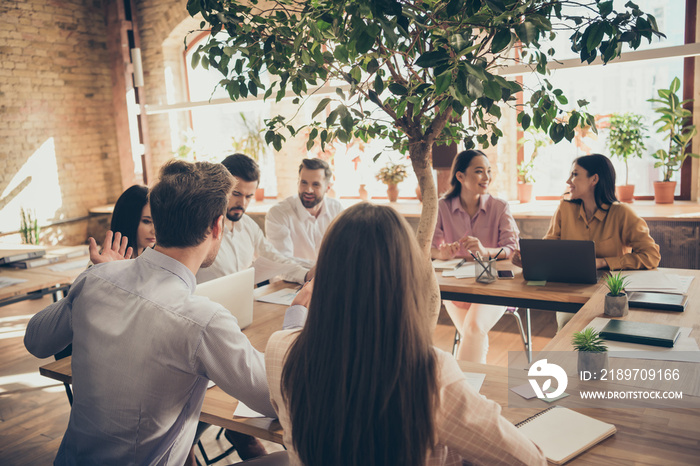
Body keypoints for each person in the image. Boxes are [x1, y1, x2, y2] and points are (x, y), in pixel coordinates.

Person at [24, 160, 304, 465]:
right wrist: (296, 319)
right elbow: (281, 400)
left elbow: (35, 342)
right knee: (294, 459)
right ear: (216, 226)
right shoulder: (203, 319)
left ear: (157, 220)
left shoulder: (95, 279)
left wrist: (95, 277)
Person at [264, 203, 546, 466]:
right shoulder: (431, 373)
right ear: (405, 279)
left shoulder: (279, 351)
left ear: (323, 275)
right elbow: (529, 460)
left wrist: (297, 312)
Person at [512, 153, 661, 329]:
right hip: (571, 293)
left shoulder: (622, 213)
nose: (568, 181)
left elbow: (651, 255)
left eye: (575, 174)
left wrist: (603, 262)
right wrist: (530, 262)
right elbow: (550, 249)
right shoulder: (564, 209)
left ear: (594, 179)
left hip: (609, 295)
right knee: (569, 325)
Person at [431, 150, 519, 363]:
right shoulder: (442, 207)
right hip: (457, 288)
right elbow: (428, 248)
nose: (487, 177)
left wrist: (485, 251)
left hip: (494, 286)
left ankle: (463, 391)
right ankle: (467, 391)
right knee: (473, 333)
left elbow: (512, 248)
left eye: (488, 171)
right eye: (479, 171)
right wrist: (441, 253)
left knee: (473, 329)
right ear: (460, 176)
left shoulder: (499, 207)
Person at [195, 153, 312, 284]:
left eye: (249, 196)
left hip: (245, 302)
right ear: (220, 189)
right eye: (236, 194)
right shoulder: (198, 229)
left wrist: (306, 274)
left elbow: (274, 258)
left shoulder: (248, 225)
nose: (242, 203)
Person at [265, 158, 343, 265]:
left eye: (315, 184)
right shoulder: (279, 213)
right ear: (298, 182)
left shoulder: (336, 209)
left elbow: (344, 251)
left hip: (328, 278)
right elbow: (282, 262)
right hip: (289, 281)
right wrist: (323, 269)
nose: (308, 190)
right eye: (304, 183)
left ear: (327, 187)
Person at [109, 185, 156, 257]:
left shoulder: (154, 258)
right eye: (146, 221)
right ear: (128, 220)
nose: (154, 231)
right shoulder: (104, 260)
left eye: (157, 221)